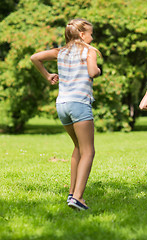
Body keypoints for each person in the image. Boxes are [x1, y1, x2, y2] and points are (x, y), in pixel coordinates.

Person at [31, 18, 101, 210]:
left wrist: (47, 76)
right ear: (81, 35)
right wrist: (98, 69)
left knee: (78, 147)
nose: (92, 37)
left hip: (62, 105)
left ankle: (72, 193)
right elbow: (93, 72)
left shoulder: (60, 52)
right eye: (90, 34)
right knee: (89, 151)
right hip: (79, 104)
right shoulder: (89, 51)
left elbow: (35, 57)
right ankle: (78, 198)